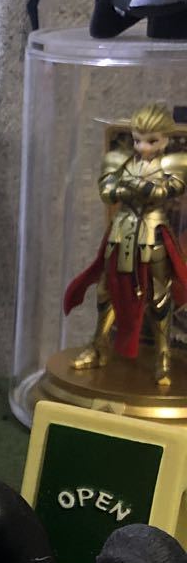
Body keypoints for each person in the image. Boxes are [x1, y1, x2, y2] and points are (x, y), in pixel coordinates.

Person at [63, 103, 187, 386]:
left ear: (165, 140)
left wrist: (130, 186)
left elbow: (164, 191)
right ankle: (98, 347)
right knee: (107, 290)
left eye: (151, 140)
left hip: (153, 235)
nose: (143, 147)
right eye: (137, 139)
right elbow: (107, 193)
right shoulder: (120, 160)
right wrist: (131, 187)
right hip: (121, 232)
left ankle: (163, 356)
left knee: (159, 296)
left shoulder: (174, 164)